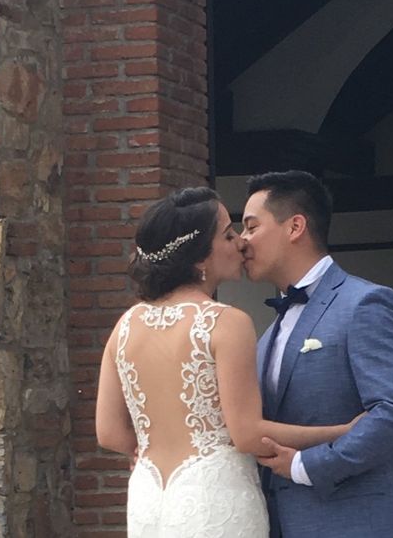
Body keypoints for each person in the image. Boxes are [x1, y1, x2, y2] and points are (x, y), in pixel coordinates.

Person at [95, 187, 359, 537]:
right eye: (229, 234)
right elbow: (248, 435)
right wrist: (339, 432)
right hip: (213, 499)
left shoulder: (126, 326)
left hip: (149, 497)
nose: (240, 243)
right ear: (200, 257)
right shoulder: (225, 322)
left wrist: (151, 449)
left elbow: (109, 433)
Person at [241, 170, 393, 537]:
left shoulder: (366, 303)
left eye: (251, 227)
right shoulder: (269, 330)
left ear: (295, 227)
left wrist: (307, 465)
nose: (242, 241)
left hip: (350, 521)